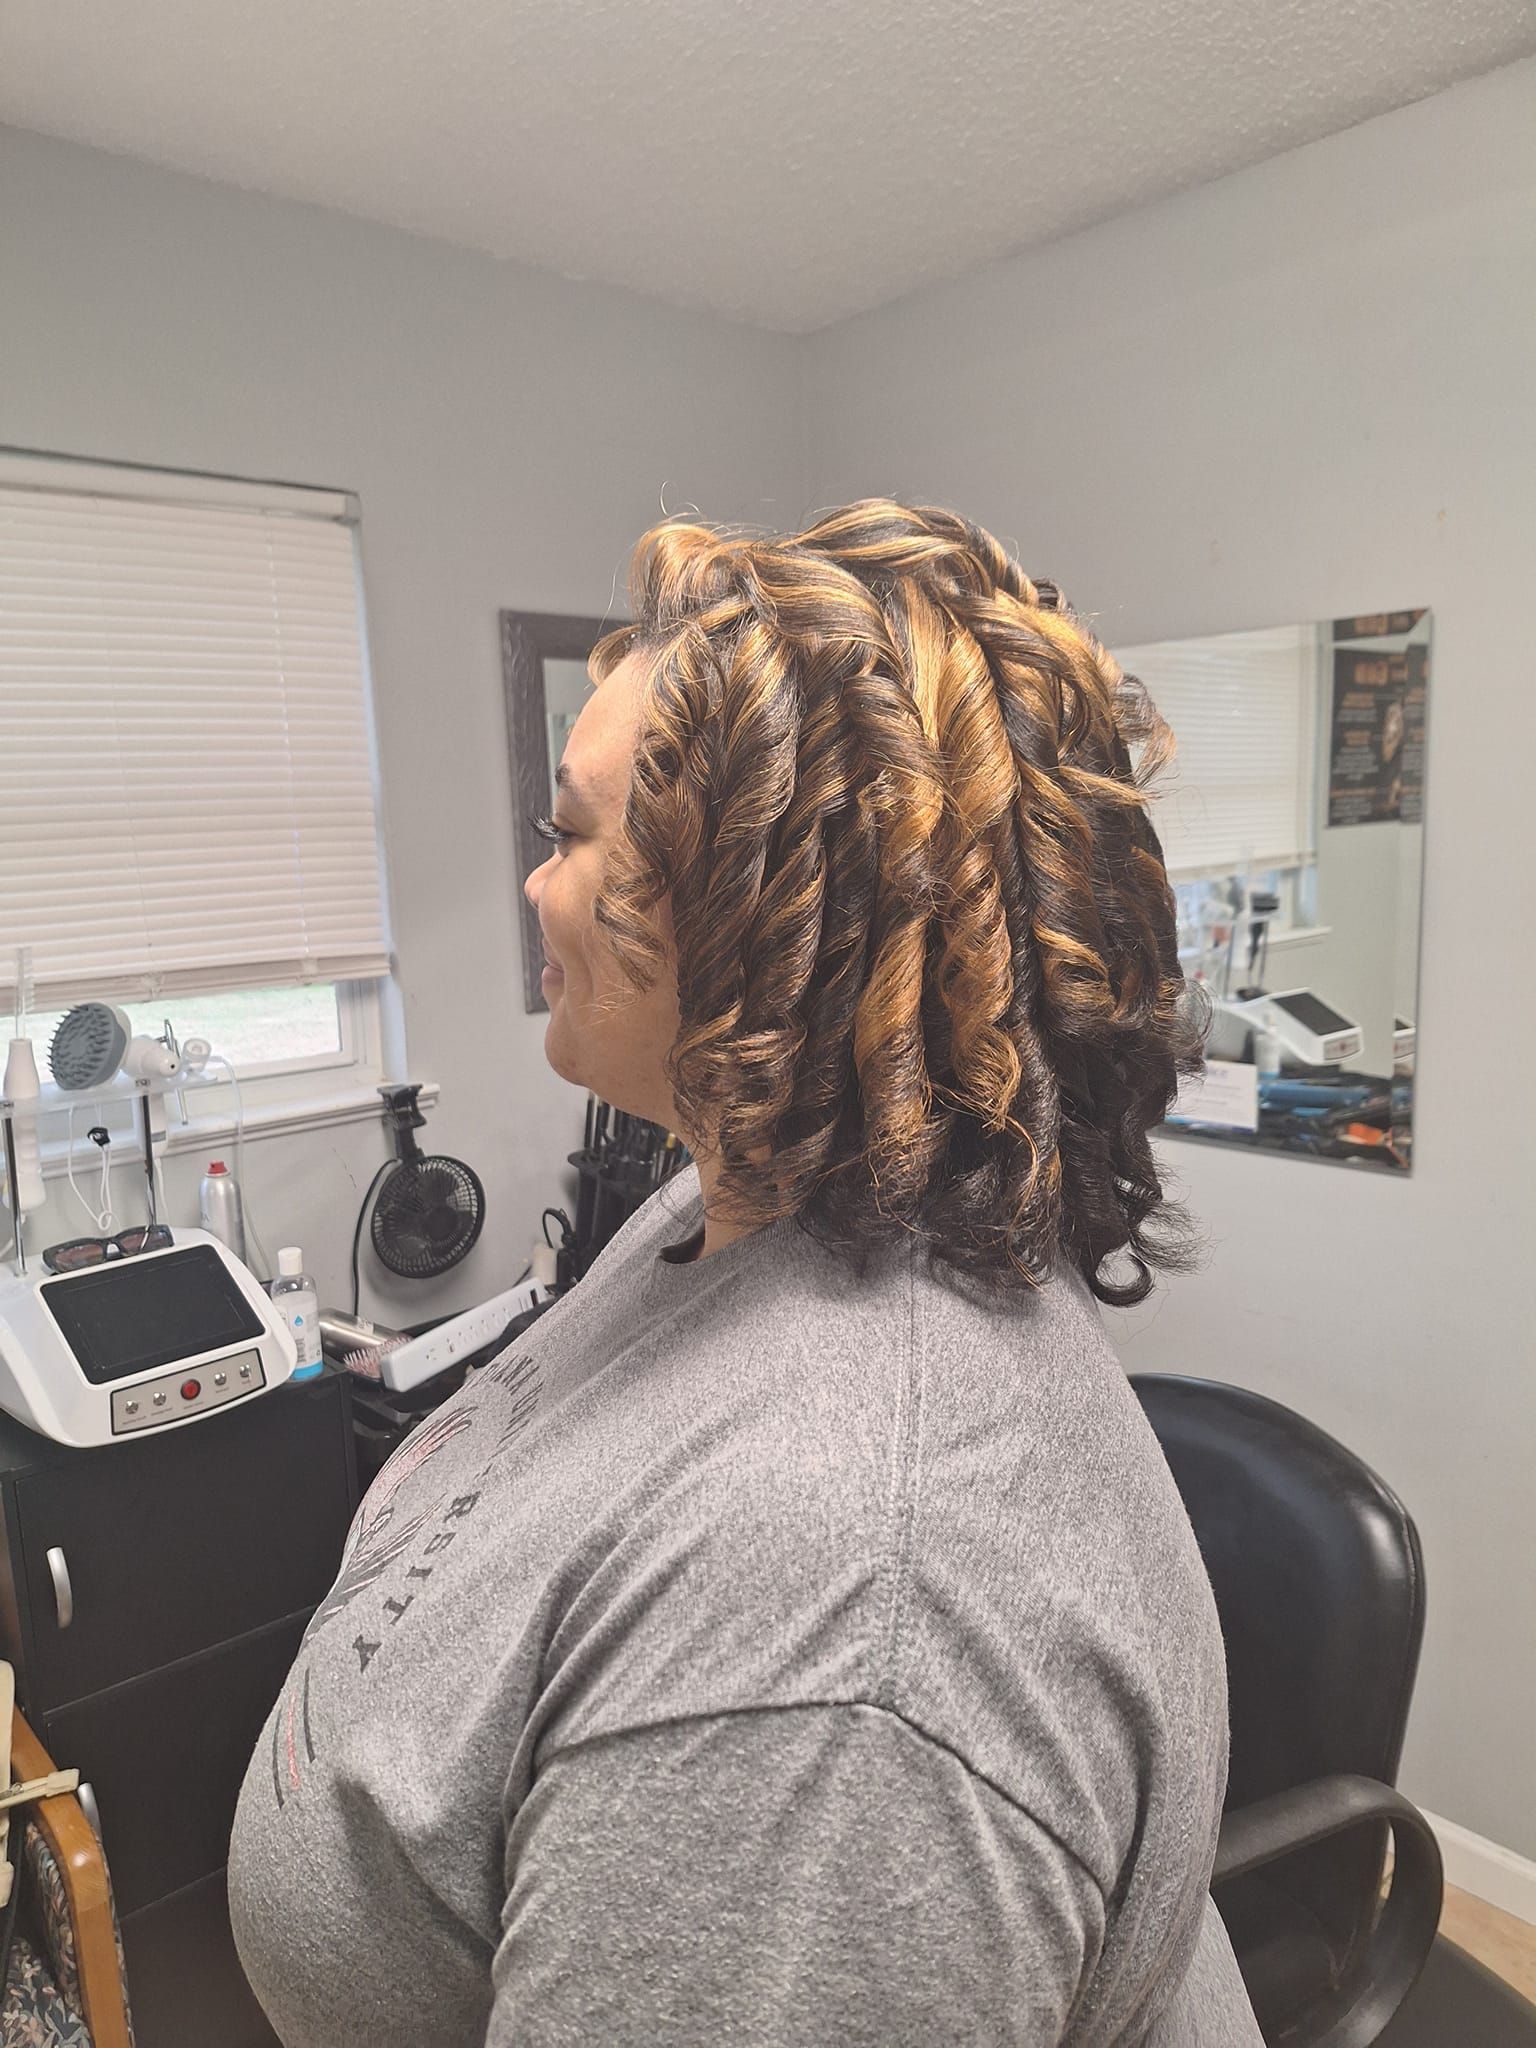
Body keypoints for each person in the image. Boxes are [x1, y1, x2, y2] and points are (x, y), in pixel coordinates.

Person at [229, 499, 1263, 2045]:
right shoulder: (748, 1197)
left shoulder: (842, 1619)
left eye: (571, 836)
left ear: (768, 917)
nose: (535, 888)